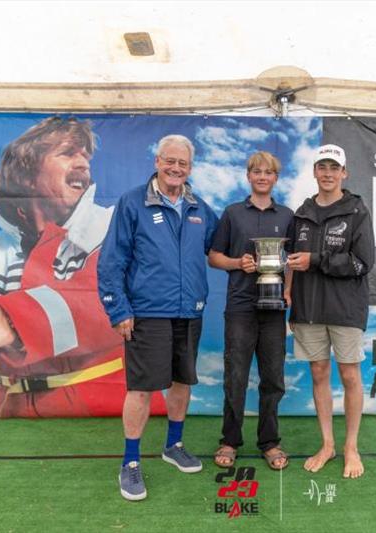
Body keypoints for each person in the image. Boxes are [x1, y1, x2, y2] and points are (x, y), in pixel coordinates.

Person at [0, 117, 160, 418]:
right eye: (68, 153)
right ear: (27, 176)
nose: (83, 163)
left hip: (112, 417)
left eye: (85, 155)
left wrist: (3, 318)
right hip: (14, 422)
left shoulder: (114, 225)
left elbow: (117, 303)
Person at [98, 134, 218, 502]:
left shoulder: (200, 208)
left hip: (189, 310)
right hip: (147, 314)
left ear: (190, 168)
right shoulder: (132, 203)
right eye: (170, 161)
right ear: (157, 161)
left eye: (182, 164)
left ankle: (173, 445)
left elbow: (222, 247)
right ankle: (130, 462)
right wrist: (118, 309)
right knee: (142, 389)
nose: (176, 168)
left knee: (182, 383)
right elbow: (110, 262)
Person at [286, 144, 375, 479]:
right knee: (319, 373)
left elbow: (363, 262)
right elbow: (294, 258)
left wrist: (317, 260)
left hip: (345, 308)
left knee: (350, 375)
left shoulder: (356, 211)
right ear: (314, 172)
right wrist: (287, 289)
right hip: (308, 308)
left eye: (333, 168)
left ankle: (351, 446)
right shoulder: (302, 213)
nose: (327, 173)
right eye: (322, 167)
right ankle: (328, 444)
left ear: (344, 173)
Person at [208, 151, 294, 471]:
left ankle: (269, 442)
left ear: (275, 178)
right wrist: (237, 263)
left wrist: (287, 290)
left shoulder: (287, 215)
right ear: (248, 176)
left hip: (273, 311)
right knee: (235, 377)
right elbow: (214, 257)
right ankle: (230, 440)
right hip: (241, 306)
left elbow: (294, 260)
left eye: (268, 172)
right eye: (256, 171)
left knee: (273, 378)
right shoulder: (232, 214)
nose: (262, 177)